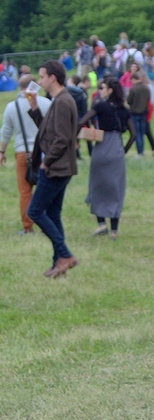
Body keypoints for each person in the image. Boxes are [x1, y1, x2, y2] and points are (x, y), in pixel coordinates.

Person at [26, 60, 80, 277]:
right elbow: (49, 132)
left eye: (41, 77)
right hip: (60, 167)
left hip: (56, 168)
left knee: (35, 211)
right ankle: (59, 263)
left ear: (52, 78)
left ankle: (65, 255)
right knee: (53, 215)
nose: (39, 81)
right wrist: (35, 110)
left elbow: (62, 138)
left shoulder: (63, 102)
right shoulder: (58, 100)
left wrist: (46, 162)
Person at [78, 77, 135, 238]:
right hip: (116, 149)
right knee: (116, 189)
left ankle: (101, 224)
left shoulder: (100, 106)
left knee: (97, 186)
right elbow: (133, 134)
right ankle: (115, 230)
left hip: (101, 148)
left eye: (103, 87)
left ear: (109, 91)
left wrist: (83, 133)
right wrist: (123, 151)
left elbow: (82, 120)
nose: (100, 89)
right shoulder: (124, 110)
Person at [1, 75, 51, 235]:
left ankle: (27, 227)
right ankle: (47, 224)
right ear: (35, 85)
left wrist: (2, 151)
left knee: (24, 192)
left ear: (19, 86)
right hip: (43, 152)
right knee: (45, 190)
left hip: (22, 151)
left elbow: (6, 132)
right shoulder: (46, 103)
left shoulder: (12, 106)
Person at [126, 70, 151, 156]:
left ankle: (139, 152)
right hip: (143, 113)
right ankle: (142, 150)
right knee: (142, 133)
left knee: (137, 134)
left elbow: (129, 101)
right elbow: (148, 99)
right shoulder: (146, 88)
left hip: (134, 113)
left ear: (133, 79)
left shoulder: (133, 89)